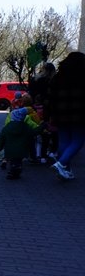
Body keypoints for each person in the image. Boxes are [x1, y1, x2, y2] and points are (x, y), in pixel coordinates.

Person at [46, 51, 85, 180]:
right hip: (79, 115)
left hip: (60, 115)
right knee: (78, 140)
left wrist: (49, 113)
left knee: (64, 141)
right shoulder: (82, 78)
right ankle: (61, 163)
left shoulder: (57, 78)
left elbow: (50, 97)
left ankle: (65, 170)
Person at [0, 107, 37, 180]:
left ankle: (13, 170)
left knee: (13, 161)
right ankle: (16, 170)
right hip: (21, 150)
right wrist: (42, 127)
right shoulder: (25, 127)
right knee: (18, 160)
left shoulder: (8, 126)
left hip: (9, 149)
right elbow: (32, 135)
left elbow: (1, 136)